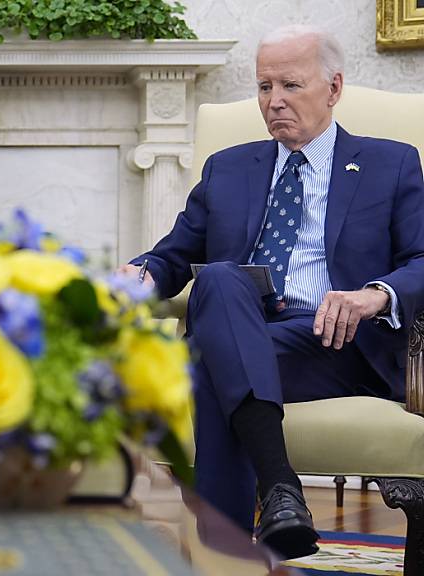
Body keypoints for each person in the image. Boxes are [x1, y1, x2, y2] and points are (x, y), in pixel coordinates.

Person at [121, 25, 424, 559]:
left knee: (206, 361)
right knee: (217, 278)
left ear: (333, 88)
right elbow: (172, 255)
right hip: (247, 327)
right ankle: (280, 490)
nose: (274, 102)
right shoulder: (229, 169)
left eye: (290, 85)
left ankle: (225, 554)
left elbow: (422, 259)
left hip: (338, 342)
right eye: (264, 87)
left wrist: (374, 294)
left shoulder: (390, 163)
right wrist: (140, 276)